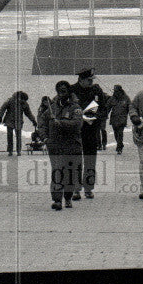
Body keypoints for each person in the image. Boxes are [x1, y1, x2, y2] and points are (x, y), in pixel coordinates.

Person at [38, 80, 83, 210]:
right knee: (57, 172)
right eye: (59, 90)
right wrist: (45, 138)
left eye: (64, 90)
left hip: (71, 146)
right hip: (55, 145)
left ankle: (68, 197)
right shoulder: (52, 108)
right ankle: (57, 200)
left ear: (68, 91)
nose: (61, 92)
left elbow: (77, 124)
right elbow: (42, 123)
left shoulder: (75, 108)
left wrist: (61, 123)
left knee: (69, 173)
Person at [69, 68, 108, 199]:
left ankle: (88, 188)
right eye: (89, 80)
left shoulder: (96, 90)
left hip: (92, 129)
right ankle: (75, 188)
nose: (91, 82)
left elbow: (103, 108)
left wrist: (97, 117)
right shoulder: (71, 90)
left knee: (90, 159)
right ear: (81, 79)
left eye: (92, 80)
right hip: (76, 130)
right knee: (76, 160)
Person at [0, 90, 37, 156]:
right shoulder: (11, 100)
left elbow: (28, 113)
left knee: (17, 137)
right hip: (10, 120)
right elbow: (3, 108)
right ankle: (11, 151)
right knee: (11, 136)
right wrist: (0, 116)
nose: (23, 102)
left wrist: (33, 120)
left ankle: (17, 151)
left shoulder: (23, 103)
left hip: (17, 121)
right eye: (23, 100)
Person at [108, 85, 131, 154]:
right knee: (116, 133)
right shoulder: (112, 98)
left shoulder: (126, 98)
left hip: (122, 119)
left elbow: (130, 108)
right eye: (114, 91)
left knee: (120, 133)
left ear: (120, 91)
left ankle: (119, 148)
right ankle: (120, 143)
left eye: (116, 91)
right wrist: (104, 115)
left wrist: (133, 116)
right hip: (114, 119)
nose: (115, 92)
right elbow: (108, 107)